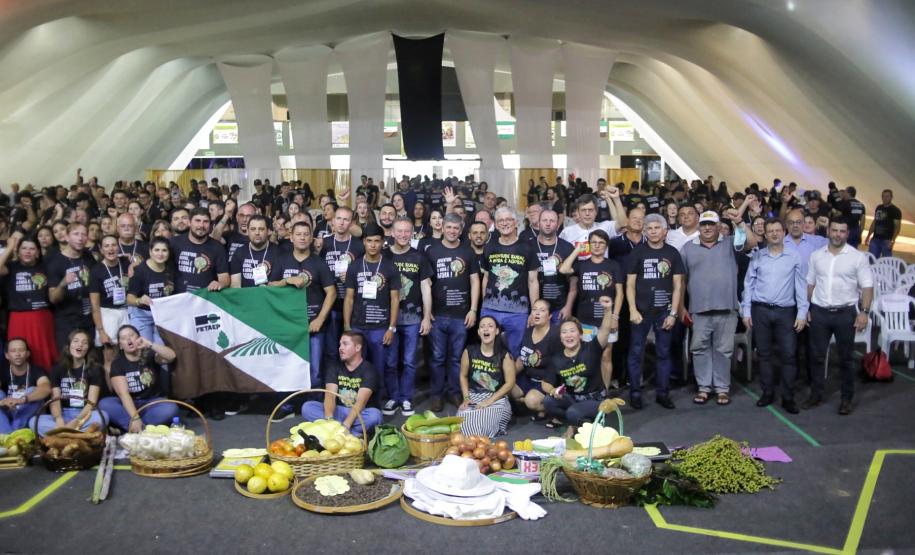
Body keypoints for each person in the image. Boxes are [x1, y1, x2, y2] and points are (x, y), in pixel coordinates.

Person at [680, 208, 756, 406]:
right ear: (699, 226)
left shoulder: (731, 243)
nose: (707, 228)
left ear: (718, 227)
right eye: (704, 225)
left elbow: (752, 243)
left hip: (726, 308)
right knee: (699, 349)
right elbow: (681, 280)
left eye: (711, 224)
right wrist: (680, 307)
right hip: (699, 309)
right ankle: (704, 388)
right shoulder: (687, 248)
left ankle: (722, 389)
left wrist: (740, 222)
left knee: (724, 350)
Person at [805, 217, 874, 415]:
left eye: (842, 231)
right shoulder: (816, 256)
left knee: (846, 359)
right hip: (819, 313)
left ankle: (846, 399)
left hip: (845, 314)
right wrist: (809, 308)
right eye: (834, 230)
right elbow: (810, 284)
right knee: (816, 357)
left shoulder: (857, 257)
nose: (837, 234)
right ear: (828, 231)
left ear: (847, 233)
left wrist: (864, 312)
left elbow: (867, 287)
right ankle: (816, 395)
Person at [269, 221, 336, 414]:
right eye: (298, 234)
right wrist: (286, 281)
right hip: (288, 324)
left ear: (311, 238)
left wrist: (320, 319)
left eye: (306, 234)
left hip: (313, 325)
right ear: (291, 237)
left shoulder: (318, 263)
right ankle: (287, 406)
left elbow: (331, 292)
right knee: (286, 366)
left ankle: (314, 408)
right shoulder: (282, 260)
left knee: (315, 370)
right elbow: (270, 286)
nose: (302, 238)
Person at [742, 218, 808, 414]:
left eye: (777, 230)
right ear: (765, 234)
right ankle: (767, 392)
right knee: (764, 355)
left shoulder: (794, 256)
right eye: (770, 231)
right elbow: (748, 285)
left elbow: (801, 286)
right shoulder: (757, 257)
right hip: (760, 310)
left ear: (783, 232)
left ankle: (788, 397)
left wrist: (802, 312)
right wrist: (746, 311)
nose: (774, 234)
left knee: (789, 355)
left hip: (785, 312)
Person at [626, 214, 685, 410]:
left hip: (664, 312)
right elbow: (630, 284)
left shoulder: (673, 253)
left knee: (664, 353)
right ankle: (635, 393)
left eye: (656, 228)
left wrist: (673, 313)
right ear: (645, 231)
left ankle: (663, 393)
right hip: (640, 312)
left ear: (665, 231)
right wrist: (632, 309)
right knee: (636, 353)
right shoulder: (637, 252)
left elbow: (678, 286)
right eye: (649, 228)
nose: (653, 231)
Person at [426, 213, 480, 411]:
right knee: (437, 358)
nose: (452, 231)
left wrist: (473, 309)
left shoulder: (468, 251)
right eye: (448, 227)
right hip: (437, 315)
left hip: (461, 315)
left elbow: (475, 281)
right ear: (442, 228)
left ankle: (455, 391)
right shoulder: (432, 251)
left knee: (457, 358)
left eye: (456, 228)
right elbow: (425, 283)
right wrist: (427, 311)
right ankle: (436, 394)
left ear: (461, 229)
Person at [343, 224, 400, 401]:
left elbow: (395, 299)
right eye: (369, 241)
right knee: (354, 366)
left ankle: (376, 403)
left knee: (379, 367)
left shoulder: (390, 267)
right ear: (364, 242)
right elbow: (349, 298)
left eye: (377, 241)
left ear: (382, 242)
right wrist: (347, 326)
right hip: (357, 326)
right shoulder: (354, 266)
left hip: (380, 327)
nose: (373, 245)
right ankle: (354, 401)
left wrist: (391, 328)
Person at [540, 297, 616, 431]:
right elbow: (545, 383)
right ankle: (583, 421)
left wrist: (608, 310)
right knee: (548, 401)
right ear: (561, 338)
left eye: (572, 331)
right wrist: (553, 391)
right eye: (564, 332)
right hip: (573, 398)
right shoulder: (556, 358)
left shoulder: (591, 348)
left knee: (573, 412)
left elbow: (604, 330)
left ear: (580, 335)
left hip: (595, 399)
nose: (568, 335)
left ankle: (579, 423)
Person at [382, 218, 433, 417]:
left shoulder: (419, 257)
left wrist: (426, 317)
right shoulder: (384, 256)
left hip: (413, 319)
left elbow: (425, 288)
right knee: (390, 361)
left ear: (412, 234)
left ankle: (406, 398)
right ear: (392, 233)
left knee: (410, 361)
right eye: (400, 231)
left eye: (407, 232)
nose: (403, 235)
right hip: (389, 320)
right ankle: (393, 397)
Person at [479, 207, 540, 357]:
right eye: (501, 220)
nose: (505, 223)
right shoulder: (489, 246)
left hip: (518, 313)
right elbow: (486, 277)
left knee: (515, 353)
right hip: (490, 310)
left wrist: (534, 310)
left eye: (508, 219)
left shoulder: (527, 248)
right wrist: (484, 304)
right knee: (489, 352)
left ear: (516, 222)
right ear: (495, 224)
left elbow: (533, 281)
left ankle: (512, 374)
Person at [301, 332, 382, 437]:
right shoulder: (334, 367)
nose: (340, 348)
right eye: (340, 344)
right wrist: (329, 420)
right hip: (337, 410)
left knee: (375, 416)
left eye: (345, 344)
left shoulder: (369, 370)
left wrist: (346, 425)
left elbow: (360, 403)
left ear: (357, 348)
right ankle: (351, 432)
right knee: (307, 407)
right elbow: (330, 396)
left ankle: (337, 430)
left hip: (359, 413)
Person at [99, 325, 178, 432]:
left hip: (151, 402)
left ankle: (133, 428)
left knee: (170, 408)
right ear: (121, 346)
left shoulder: (149, 354)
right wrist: (135, 417)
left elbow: (171, 356)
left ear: (139, 338)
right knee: (105, 404)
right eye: (123, 338)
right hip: (129, 404)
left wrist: (150, 344)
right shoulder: (117, 363)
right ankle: (141, 428)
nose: (128, 339)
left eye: (131, 335)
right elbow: (123, 394)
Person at [30, 330, 107, 436]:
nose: (80, 344)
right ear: (68, 345)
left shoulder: (95, 369)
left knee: (102, 417)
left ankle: (62, 436)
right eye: (76, 341)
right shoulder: (57, 368)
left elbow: (91, 402)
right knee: (34, 421)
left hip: (84, 414)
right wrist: (59, 419)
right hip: (62, 413)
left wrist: (77, 420)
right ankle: (79, 436)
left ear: (88, 348)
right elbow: (55, 399)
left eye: (84, 342)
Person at [1, 234, 57, 369]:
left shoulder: (45, 267)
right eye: (24, 248)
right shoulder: (11, 266)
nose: (27, 252)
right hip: (18, 318)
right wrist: (10, 247)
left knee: (43, 355)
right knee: (18, 354)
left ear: (37, 252)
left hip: (41, 318)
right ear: (18, 251)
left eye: (32, 249)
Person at [457, 316, 515, 438]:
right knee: (460, 424)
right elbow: (463, 375)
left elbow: (510, 383)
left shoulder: (505, 355)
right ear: (479, 332)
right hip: (474, 396)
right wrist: (466, 398)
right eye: (482, 326)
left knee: (480, 425)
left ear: (497, 331)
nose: (486, 329)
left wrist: (489, 401)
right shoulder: (469, 351)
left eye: (490, 326)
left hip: (496, 398)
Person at [322, 206, 365, 365]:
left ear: (351, 223)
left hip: (352, 305)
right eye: (339, 218)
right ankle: (333, 377)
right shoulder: (325, 243)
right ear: (333, 221)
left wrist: (352, 277)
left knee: (352, 348)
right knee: (331, 349)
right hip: (330, 304)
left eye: (346, 219)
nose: (341, 223)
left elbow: (365, 272)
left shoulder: (359, 246)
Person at [47, 222, 97, 352]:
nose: (80, 238)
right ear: (67, 237)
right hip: (66, 321)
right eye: (76, 234)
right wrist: (63, 284)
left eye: (83, 234)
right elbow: (53, 298)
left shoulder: (88, 257)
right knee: (67, 357)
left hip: (88, 319)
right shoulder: (55, 262)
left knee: (91, 357)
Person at [511, 299, 560, 421]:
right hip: (527, 376)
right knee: (506, 388)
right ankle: (527, 402)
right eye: (534, 309)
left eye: (542, 310)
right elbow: (522, 358)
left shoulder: (555, 334)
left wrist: (549, 386)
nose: (537, 313)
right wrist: (509, 376)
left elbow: (558, 365)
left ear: (549, 316)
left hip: (546, 381)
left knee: (531, 401)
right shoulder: (528, 331)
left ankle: (549, 409)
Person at [89, 235, 131, 372]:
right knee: (111, 358)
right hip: (108, 314)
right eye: (106, 246)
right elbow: (94, 304)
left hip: (128, 311)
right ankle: (113, 386)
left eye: (113, 245)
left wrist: (134, 262)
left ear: (118, 247)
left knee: (130, 354)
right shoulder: (96, 270)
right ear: (101, 250)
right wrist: (101, 331)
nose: (110, 249)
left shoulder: (126, 263)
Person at [126, 237, 174, 345]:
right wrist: (139, 300)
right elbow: (129, 299)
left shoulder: (171, 268)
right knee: (145, 349)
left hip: (162, 315)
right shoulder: (140, 271)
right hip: (142, 315)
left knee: (162, 350)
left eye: (164, 250)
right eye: (157, 250)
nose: (160, 254)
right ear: (150, 252)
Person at [171, 208, 229, 294]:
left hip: (204, 298)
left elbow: (225, 277)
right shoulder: (174, 243)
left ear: (210, 224)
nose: (201, 225)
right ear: (189, 222)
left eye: (205, 221)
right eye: (197, 221)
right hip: (178, 298)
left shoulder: (217, 247)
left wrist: (219, 283)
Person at [534, 208, 576, 324]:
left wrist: (568, 306)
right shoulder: (528, 246)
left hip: (560, 308)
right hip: (536, 307)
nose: (548, 224)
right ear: (538, 223)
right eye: (544, 220)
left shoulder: (567, 247)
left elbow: (574, 281)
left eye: (552, 221)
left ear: (558, 225)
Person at [0, 338, 51, 433]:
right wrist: (2, 402)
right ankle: (9, 435)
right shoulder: (2, 370)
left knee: (33, 390)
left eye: (21, 350)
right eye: (13, 351)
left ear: (27, 353)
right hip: (7, 411)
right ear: (7, 355)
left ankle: (9, 435)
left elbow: (46, 388)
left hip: (26, 413)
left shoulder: (37, 370)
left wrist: (22, 399)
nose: (17, 354)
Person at [559, 191, 627, 257]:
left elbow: (623, 223)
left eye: (590, 210)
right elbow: (559, 254)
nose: (587, 214)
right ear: (578, 212)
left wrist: (616, 198)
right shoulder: (567, 232)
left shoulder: (605, 227)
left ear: (596, 212)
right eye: (583, 210)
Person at [229, 215, 277, 288]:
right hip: (246, 295)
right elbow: (235, 285)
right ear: (247, 231)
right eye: (253, 229)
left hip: (269, 295)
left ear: (268, 231)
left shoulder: (278, 252)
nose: (257, 233)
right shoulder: (239, 252)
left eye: (261, 229)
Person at [864, 189, 901, 258]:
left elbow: (897, 228)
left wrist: (892, 241)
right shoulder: (879, 207)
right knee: (872, 259)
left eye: (887, 196)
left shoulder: (895, 210)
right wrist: (868, 236)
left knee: (886, 261)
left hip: (887, 240)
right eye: (883, 196)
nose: (885, 198)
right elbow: (874, 222)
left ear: (891, 197)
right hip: (875, 239)